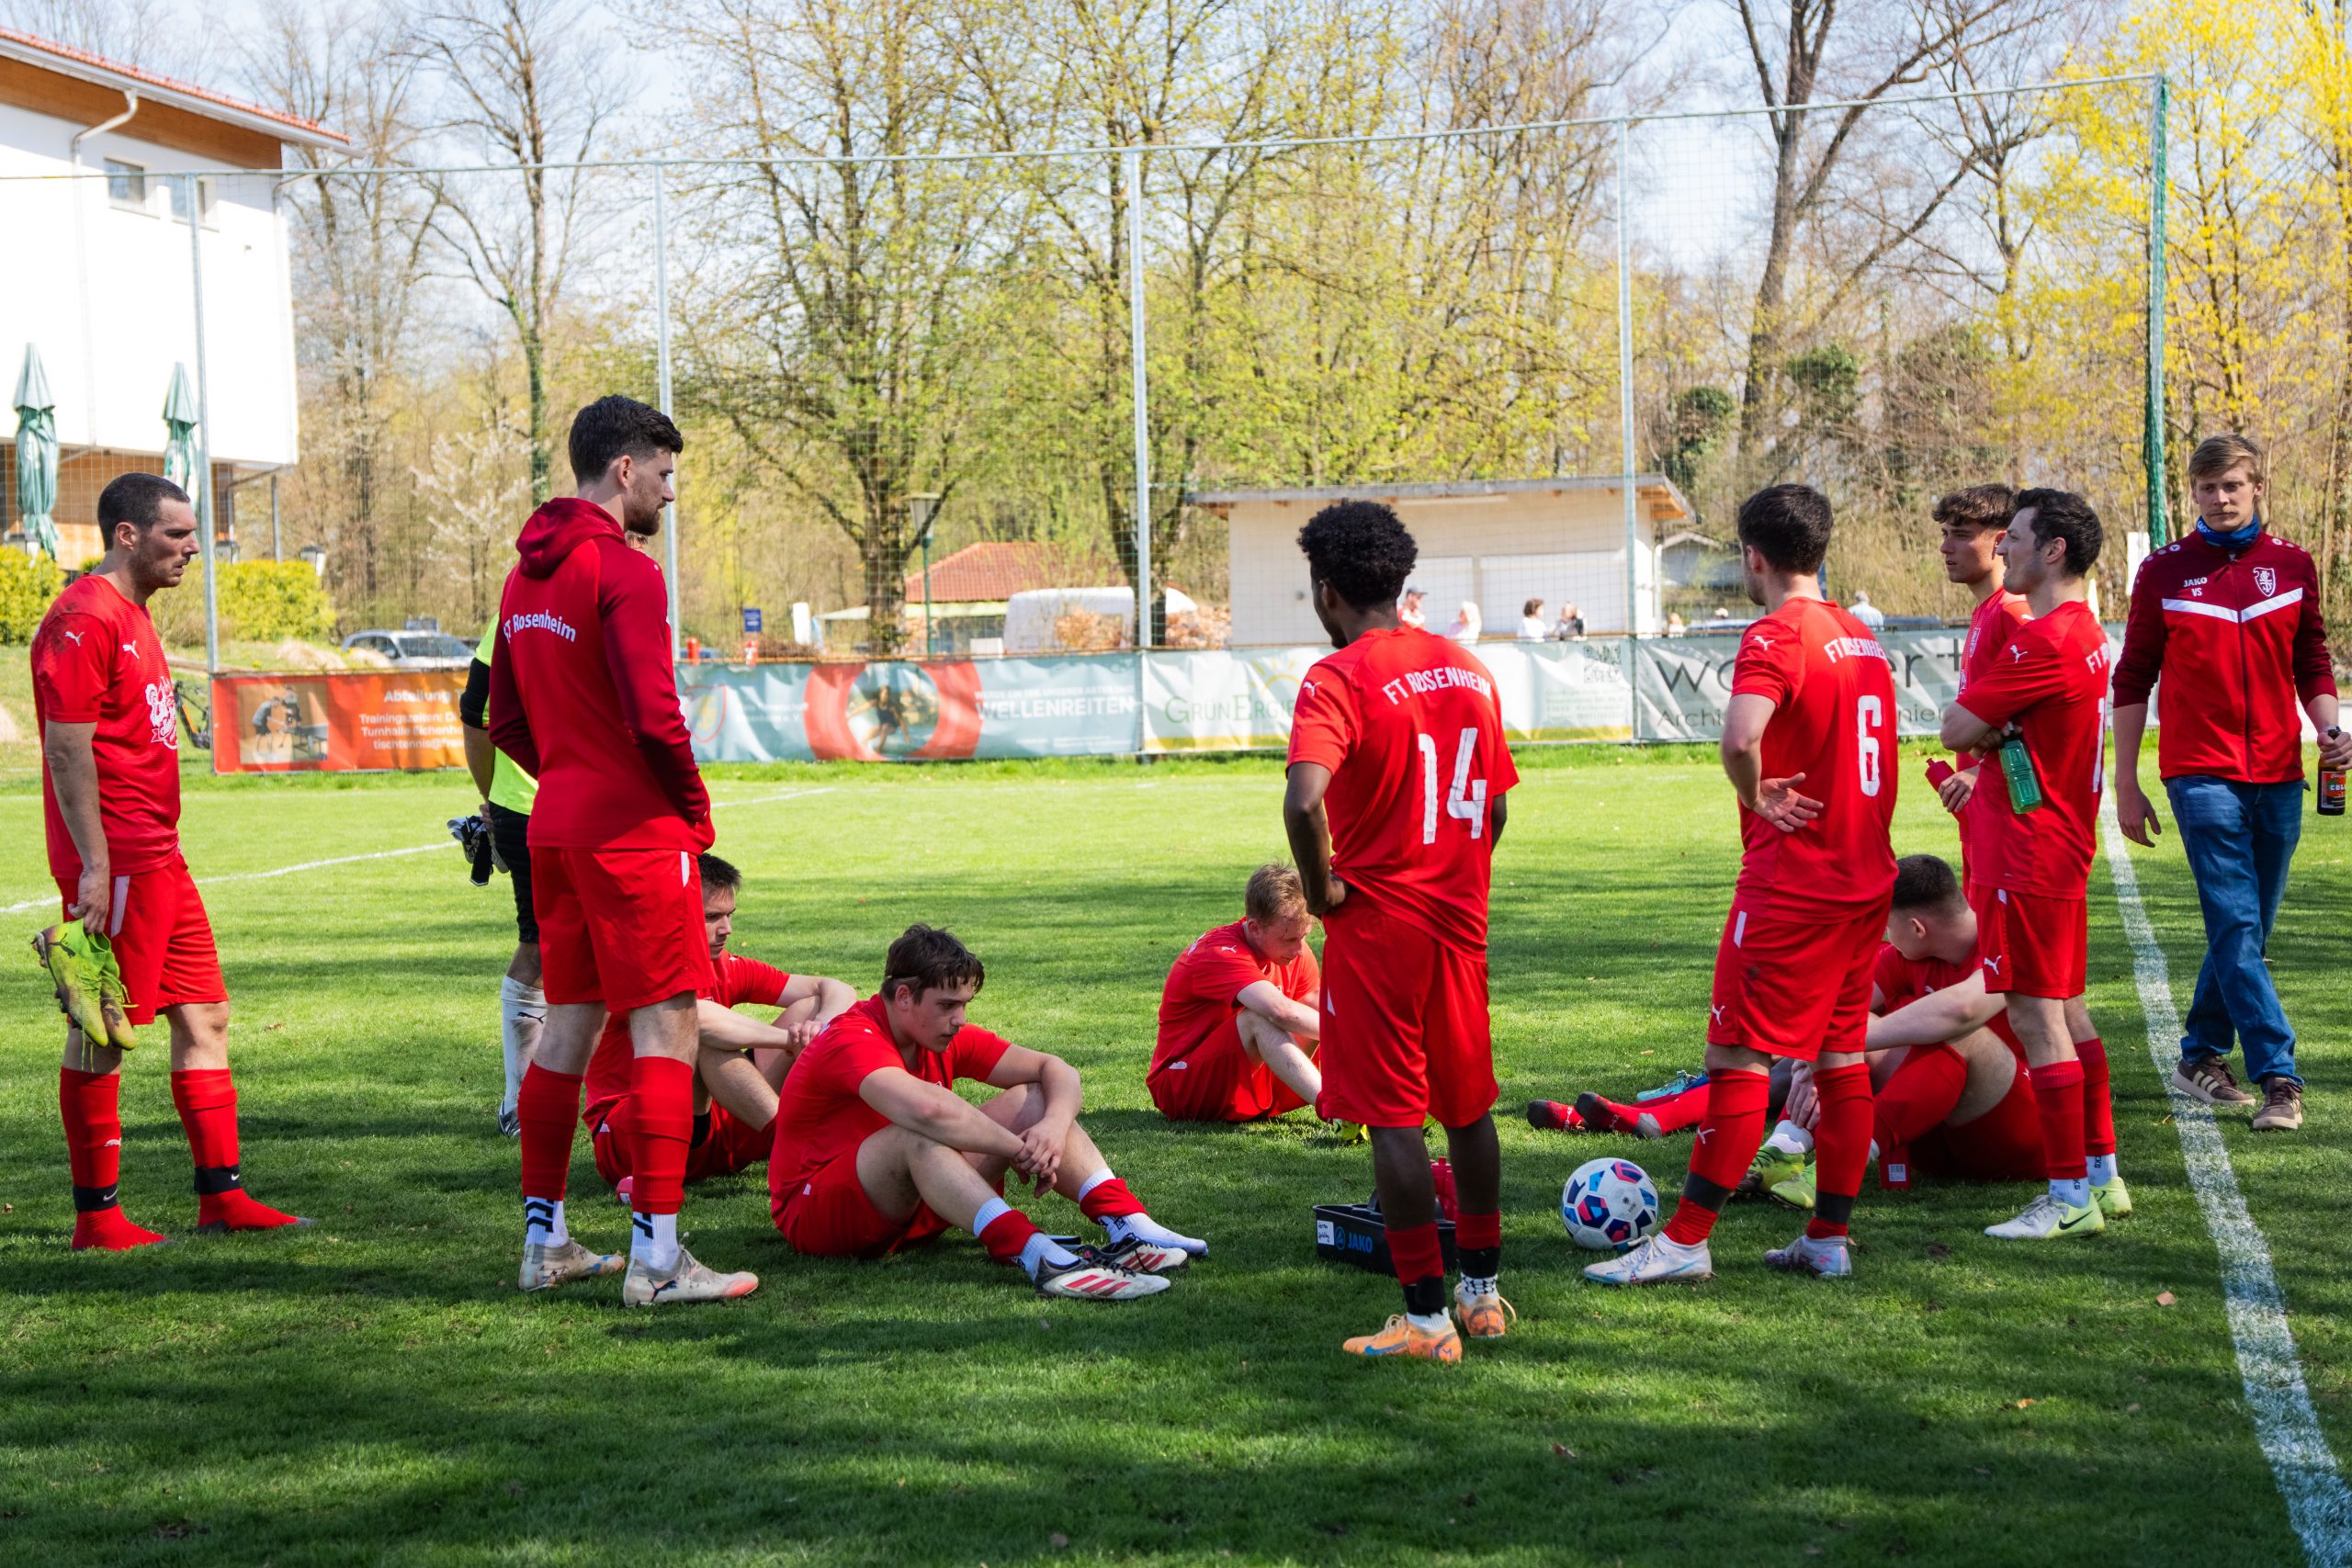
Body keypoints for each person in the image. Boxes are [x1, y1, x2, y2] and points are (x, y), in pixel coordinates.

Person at [1586, 484, 1896, 1287]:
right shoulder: (1862, 639)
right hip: (1866, 878)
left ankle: (1685, 1240)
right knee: (1840, 1054)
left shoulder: (1775, 634)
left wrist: (1754, 790)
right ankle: (1827, 1236)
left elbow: (1740, 736)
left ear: (1753, 558)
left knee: (1737, 1054)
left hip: (1794, 884)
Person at [488, 394, 756, 1306]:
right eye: (667, 475)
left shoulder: (523, 579)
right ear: (626, 468)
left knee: (568, 1025)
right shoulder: (628, 575)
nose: (671, 496)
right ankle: (658, 1259)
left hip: (557, 825)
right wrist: (689, 808)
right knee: (666, 1022)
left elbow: (505, 720)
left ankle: (548, 1243)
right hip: (632, 833)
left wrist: (566, 769)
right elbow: (655, 715)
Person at [30, 472, 307, 1249]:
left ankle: (222, 1197)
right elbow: (64, 746)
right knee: (101, 1028)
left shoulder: (133, 615)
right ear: (127, 535)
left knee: (206, 1014)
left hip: (161, 858)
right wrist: (92, 865)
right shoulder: (82, 618)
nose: (194, 547)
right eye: (178, 534)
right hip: (115, 864)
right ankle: (97, 1216)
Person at [1283, 499, 1519, 1361]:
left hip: (1379, 927)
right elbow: (1493, 805)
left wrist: (1323, 892)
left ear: (1327, 589)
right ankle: (1483, 1295)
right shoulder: (1466, 667)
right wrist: (1459, 874)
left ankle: (1426, 1321)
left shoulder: (1337, 675)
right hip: (1459, 921)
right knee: (1468, 1108)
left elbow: (1305, 798)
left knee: (1392, 1117)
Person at [2113, 434, 2346, 1133]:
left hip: (2280, 772)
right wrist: (2125, 781)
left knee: (2247, 927)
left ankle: (2197, 1056)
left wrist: (2330, 728)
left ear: (2257, 487)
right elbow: (2132, 677)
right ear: (2194, 493)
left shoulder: (2294, 565)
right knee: (2238, 923)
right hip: (2199, 772)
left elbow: (2312, 658)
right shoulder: (2163, 572)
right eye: (2207, 487)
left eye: (2232, 486)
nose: (2219, 499)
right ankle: (2280, 1075)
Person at [768, 925, 1192, 1300]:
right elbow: (929, 1111)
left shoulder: (935, 1033)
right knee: (916, 1133)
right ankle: (1037, 1254)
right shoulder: (852, 1038)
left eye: (964, 1004)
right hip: (816, 1215)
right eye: (948, 1005)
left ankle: (1128, 1223)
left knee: (1034, 1099)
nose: (960, 1019)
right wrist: (1018, 1149)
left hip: (908, 1201)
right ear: (903, 996)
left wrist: (1050, 1128)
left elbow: (1056, 1069)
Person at [1939, 489, 2121, 1240]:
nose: (2001, 547)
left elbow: (1955, 725)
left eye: (2012, 536)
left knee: (2035, 1015)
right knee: (2068, 1008)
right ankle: (2102, 1174)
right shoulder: (2083, 630)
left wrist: (1987, 729)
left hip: (2028, 846)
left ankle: (2067, 1193)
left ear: (2053, 550)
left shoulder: (2043, 639)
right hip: (2055, 842)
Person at [1753, 854, 2066, 1207]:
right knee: (1846, 1026)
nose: (1884, 935)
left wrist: (1841, 1040)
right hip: (1929, 1137)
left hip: (2015, 1138)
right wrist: (1817, 1050)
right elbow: (1828, 1007)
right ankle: (1783, 1149)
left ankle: (1841, 1164)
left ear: (1917, 927)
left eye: (1886, 925)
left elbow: (1963, 1009)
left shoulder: (2009, 941)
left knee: (1961, 1034)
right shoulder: (1909, 955)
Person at [584, 853, 855, 1195]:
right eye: (712, 917)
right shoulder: (637, 965)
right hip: (632, 1137)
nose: (727, 929)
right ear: (673, 912)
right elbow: (695, 1017)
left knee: (810, 1006)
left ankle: (795, 1140)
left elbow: (837, 989)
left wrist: (820, 1027)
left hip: (712, 1125)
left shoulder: (725, 964)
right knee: (698, 1037)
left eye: (729, 915)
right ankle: (798, 1147)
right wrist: (789, 1039)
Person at [1150, 863, 1323, 1122]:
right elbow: (1281, 1011)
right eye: (1289, 939)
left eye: (1304, 936)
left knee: (1330, 1012)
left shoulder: (1296, 951)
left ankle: (1381, 1099)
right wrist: (1352, 1033)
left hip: (1252, 1085)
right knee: (1261, 1018)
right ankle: (1338, 1110)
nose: (1300, 949)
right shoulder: (1219, 953)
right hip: (1181, 1085)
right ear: (1254, 928)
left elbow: (1320, 1006)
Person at [459, 619, 543, 1137]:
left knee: (549, 947)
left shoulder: (518, 598)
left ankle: (526, 1102)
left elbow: (476, 710)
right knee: (552, 947)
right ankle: (523, 1102)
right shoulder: (623, 589)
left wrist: (496, 797)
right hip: (554, 807)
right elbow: (476, 710)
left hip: (524, 807)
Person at [1932, 485, 2028, 884]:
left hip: (2006, 807)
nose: (1945, 548)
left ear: (2000, 541)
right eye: (1945, 534)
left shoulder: (2014, 612)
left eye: (1961, 534)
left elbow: (2037, 720)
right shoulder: (1987, 611)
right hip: (1981, 808)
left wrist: (1980, 772)